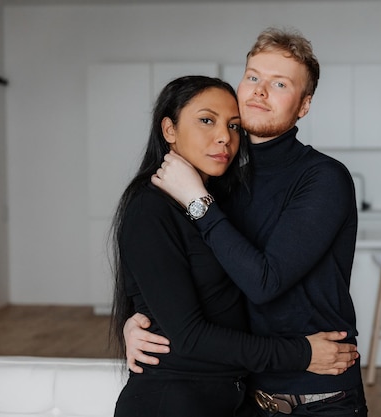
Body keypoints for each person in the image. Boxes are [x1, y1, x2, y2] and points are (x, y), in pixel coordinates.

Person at [125, 28, 368, 416]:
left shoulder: (323, 178)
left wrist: (197, 201)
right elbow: (185, 277)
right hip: (242, 395)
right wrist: (140, 322)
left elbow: (264, 282)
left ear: (303, 106)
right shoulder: (220, 182)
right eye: (253, 76)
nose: (259, 91)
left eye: (280, 83)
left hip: (316, 397)